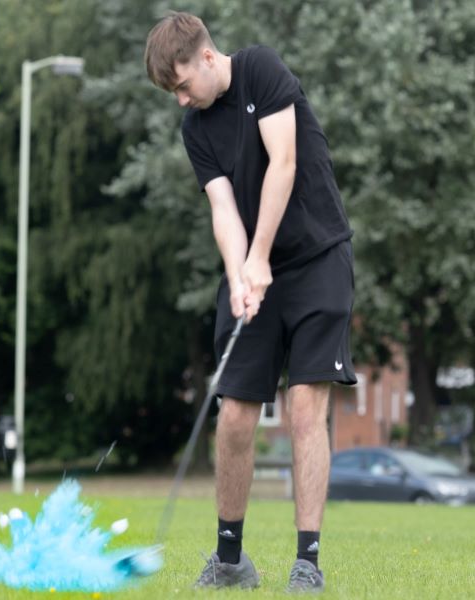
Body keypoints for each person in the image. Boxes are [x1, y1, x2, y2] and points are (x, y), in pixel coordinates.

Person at [145, 12, 357, 593]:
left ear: (207, 58)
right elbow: (222, 209)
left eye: (183, 84)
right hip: (255, 268)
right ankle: (231, 561)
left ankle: (307, 563)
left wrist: (261, 255)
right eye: (173, 92)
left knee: (304, 408)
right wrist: (240, 273)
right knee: (235, 411)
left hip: (317, 260)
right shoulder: (196, 131)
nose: (181, 99)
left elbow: (282, 164)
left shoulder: (260, 69)